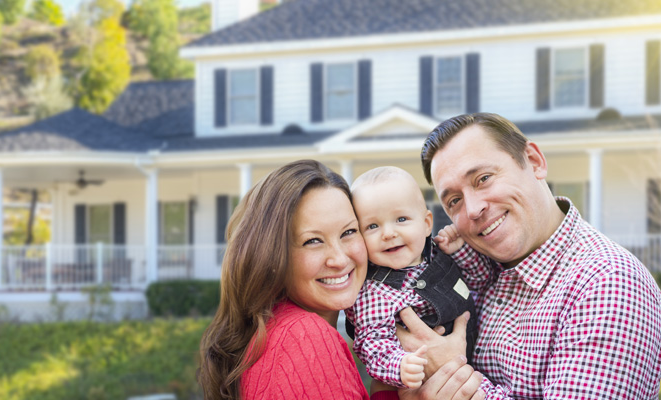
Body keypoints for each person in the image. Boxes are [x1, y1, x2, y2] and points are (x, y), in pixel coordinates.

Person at [401, 112, 661, 399]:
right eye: (454, 200)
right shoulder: (474, 272)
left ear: (535, 162)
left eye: (483, 178)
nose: (473, 209)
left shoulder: (608, 282)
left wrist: (450, 370)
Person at [196, 159, 484, 400]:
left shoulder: (281, 330)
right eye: (312, 241)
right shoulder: (304, 338)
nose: (339, 259)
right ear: (272, 255)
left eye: (348, 232)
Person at [344, 166, 477, 389]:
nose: (388, 233)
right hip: (433, 383)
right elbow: (372, 344)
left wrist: (460, 251)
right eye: (372, 226)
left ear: (426, 224)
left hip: (478, 362)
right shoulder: (374, 291)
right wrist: (399, 365)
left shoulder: (438, 253)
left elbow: (479, 281)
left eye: (401, 219)